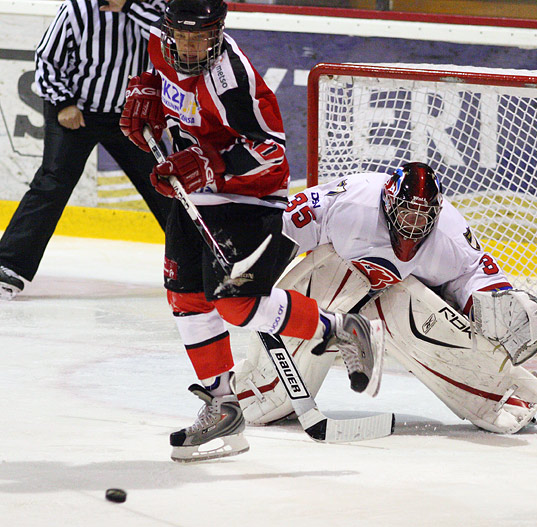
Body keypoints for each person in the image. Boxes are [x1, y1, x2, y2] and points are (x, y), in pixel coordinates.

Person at [119, 0, 384, 462]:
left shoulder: (234, 82)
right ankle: (222, 404)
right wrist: (144, 94)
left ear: (218, 33)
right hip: (197, 195)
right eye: (181, 36)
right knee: (186, 298)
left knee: (236, 303)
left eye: (200, 37)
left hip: (250, 199)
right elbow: (161, 82)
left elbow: (273, 154)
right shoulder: (161, 50)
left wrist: (209, 164)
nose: (189, 46)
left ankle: (341, 328)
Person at [233, 162, 537, 434]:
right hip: (333, 295)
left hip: (394, 309)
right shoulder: (353, 201)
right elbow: (285, 223)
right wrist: (247, 260)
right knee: (264, 407)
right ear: (388, 202)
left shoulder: (449, 235)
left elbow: (476, 275)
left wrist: (493, 303)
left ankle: (502, 393)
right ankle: (262, 386)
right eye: (407, 213)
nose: (414, 225)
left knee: (417, 303)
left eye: (423, 216)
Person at [0, 0, 172, 301]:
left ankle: (198, 265)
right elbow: (47, 60)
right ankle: (8, 266)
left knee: (165, 185)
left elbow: (171, 38)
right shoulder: (78, 9)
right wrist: (64, 103)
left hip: (131, 117)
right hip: (77, 110)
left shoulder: (154, 7)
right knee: (52, 183)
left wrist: (129, 7)